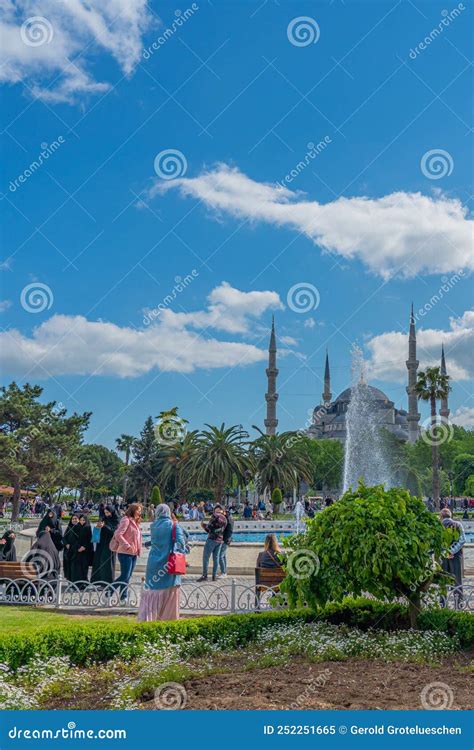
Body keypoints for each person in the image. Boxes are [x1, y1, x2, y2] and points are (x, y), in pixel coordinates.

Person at [138, 504, 186, 621]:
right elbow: (180, 544)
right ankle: (167, 619)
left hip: (153, 563)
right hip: (168, 564)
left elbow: (157, 541)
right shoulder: (173, 525)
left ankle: (149, 618)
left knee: (153, 591)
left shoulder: (154, 525)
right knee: (169, 591)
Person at [112, 503, 142, 598]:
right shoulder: (126, 520)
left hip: (134, 553)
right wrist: (127, 545)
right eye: (138, 510)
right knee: (124, 576)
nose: (140, 512)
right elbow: (118, 534)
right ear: (133, 510)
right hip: (125, 552)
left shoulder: (136, 522)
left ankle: (123, 597)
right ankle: (109, 591)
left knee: (127, 576)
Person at [440, 508, 466, 607]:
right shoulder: (458, 524)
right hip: (456, 556)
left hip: (443, 557)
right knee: (457, 580)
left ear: (441, 516)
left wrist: (445, 552)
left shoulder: (439, 526)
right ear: (451, 515)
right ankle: (458, 603)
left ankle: (442, 603)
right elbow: (462, 540)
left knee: (442, 580)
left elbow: (437, 543)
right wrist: (452, 551)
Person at [196, 504, 227, 582]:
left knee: (206, 558)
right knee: (216, 559)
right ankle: (214, 576)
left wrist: (203, 525)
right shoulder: (225, 519)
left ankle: (204, 575)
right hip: (219, 540)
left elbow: (209, 529)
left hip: (211, 540)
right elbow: (221, 530)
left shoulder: (214, 516)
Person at [90, 505, 120, 584]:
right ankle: (97, 581)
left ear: (112, 512)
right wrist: (98, 526)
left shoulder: (116, 520)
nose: (106, 514)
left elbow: (114, 532)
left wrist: (105, 526)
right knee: (98, 561)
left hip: (110, 544)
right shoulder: (103, 518)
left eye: (108, 512)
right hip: (101, 543)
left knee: (107, 563)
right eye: (105, 512)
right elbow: (98, 529)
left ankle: (107, 582)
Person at [218, 508, 234, 577]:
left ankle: (223, 572)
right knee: (223, 556)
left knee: (220, 556)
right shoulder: (230, 518)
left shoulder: (227, 520)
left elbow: (225, 531)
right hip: (227, 539)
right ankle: (224, 571)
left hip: (225, 540)